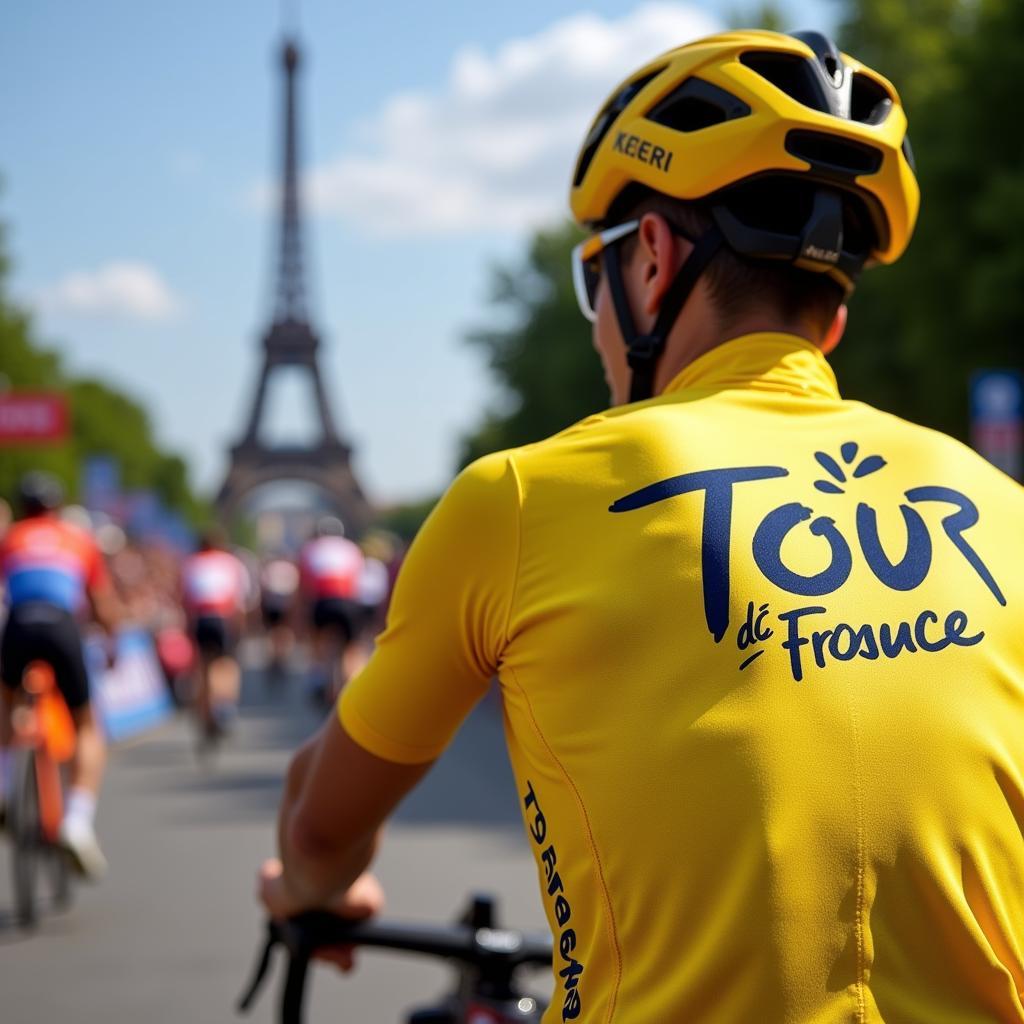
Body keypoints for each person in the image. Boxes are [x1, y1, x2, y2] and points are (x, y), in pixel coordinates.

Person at [259, 30, 1024, 1022]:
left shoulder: (522, 498)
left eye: (595, 281)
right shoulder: (999, 506)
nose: (594, 325)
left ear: (652, 261)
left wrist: (312, 889)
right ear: (831, 323)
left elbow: (320, 826)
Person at [0, 472, 120, 878]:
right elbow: (101, 604)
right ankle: (78, 821)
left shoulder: (10, 538)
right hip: (62, 628)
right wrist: (114, 641)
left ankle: (3, 786)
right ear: (55, 505)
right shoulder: (77, 537)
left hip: (18, 626)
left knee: (5, 704)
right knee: (87, 724)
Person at [180, 528, 249, 743]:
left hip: (201, 618)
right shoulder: (231, 562)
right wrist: (241, 627)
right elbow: (241, 600)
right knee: (226, 663)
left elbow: (184, 599)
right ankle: (224, 705)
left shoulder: (190, 563)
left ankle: (205, 711)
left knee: (203, 666)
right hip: (222, 617)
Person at [297, 517, 366, 704]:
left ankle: (322, 680)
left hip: (323, 601)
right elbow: (359, 583)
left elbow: (304, 588)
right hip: (347, 601)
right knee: (350, 649)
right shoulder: (352, 549)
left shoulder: (310, 549)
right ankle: (353, 691)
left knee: (320, 645)